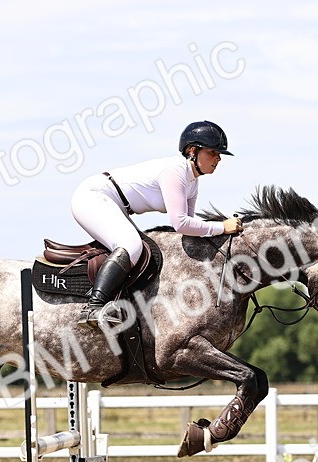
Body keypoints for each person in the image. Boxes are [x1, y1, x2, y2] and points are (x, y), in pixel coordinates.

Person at [70, 120, 242, 327]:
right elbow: (180, 223)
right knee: (131, 245)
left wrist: (221, 231)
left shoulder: (193, 182)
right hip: (93, 196)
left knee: (141, 248)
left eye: (219, 154)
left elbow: (190, 227)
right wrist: (222, 227)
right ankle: (94, 307)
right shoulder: (176, 171)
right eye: (213, 153)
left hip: (114, 204)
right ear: (192, 151)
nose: (219, 158)